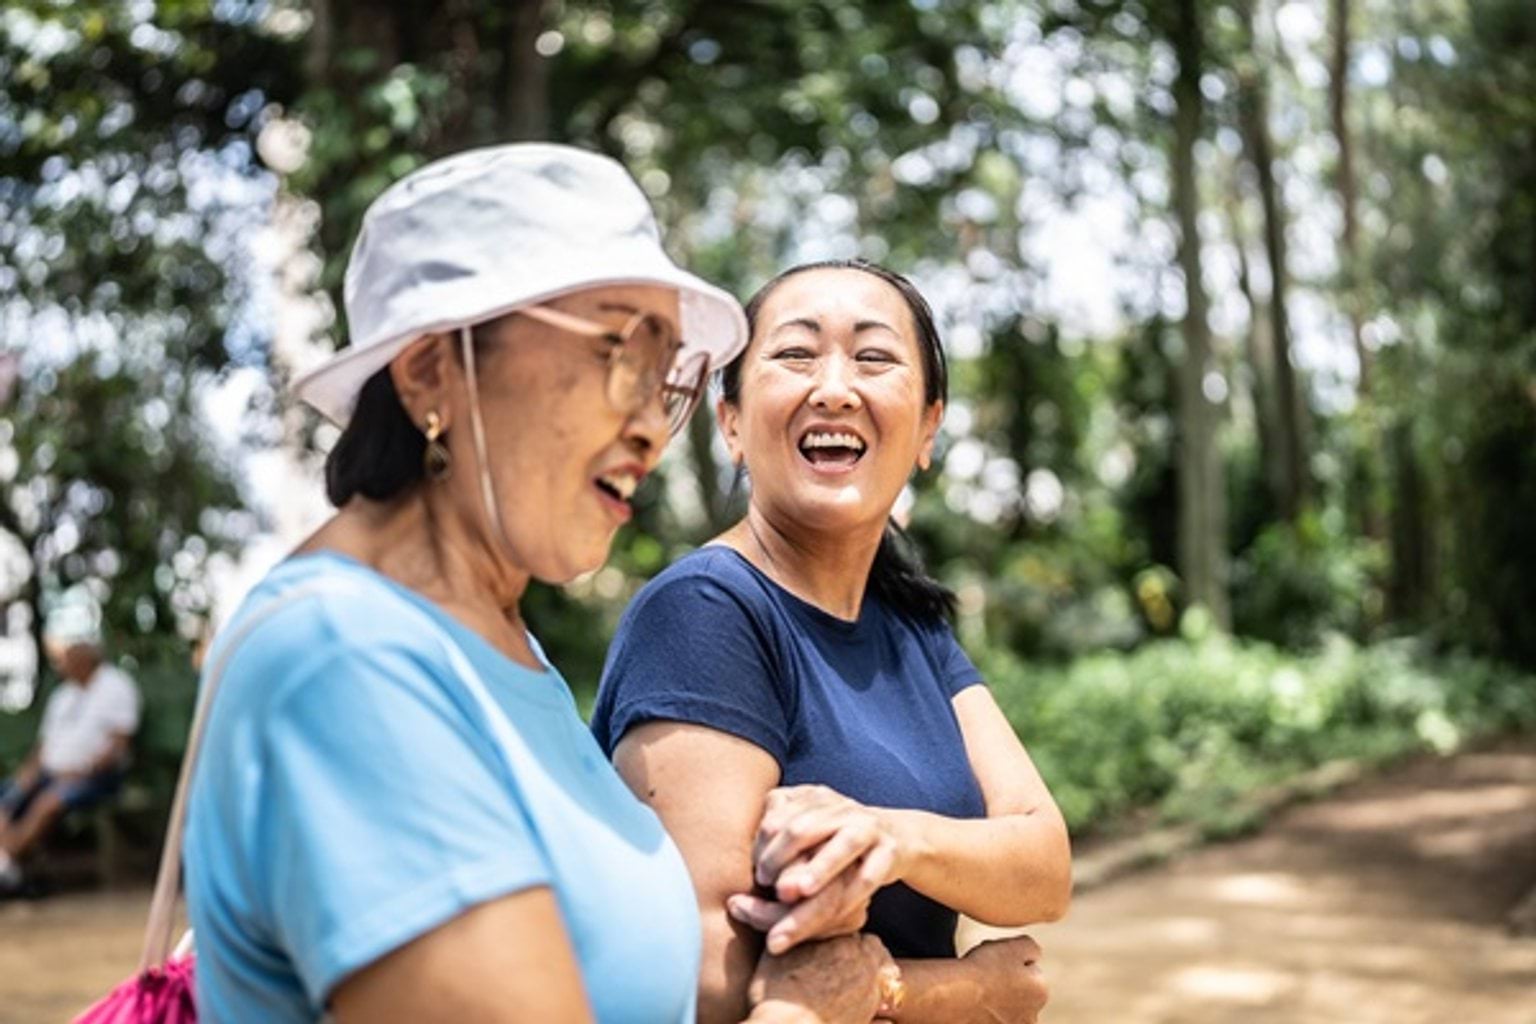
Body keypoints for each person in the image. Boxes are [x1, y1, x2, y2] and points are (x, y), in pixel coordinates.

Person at [183, 147, 898, 1024]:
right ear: (430, 371)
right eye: (617, 353)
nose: (649, 426)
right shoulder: (345, 663)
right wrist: (810, 1010)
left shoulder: (499, 646)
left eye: (666, 377)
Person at [593, 260, 1071, 1023]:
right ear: (732, 424)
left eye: (875, 358)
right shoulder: (706, 614)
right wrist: (964, 992)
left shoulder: (911, 622)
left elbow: (1043, 867)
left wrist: (890, 837)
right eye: (795, 355)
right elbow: (706, 984)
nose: (836, 388)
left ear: (927, 430)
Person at [0, 605, 140, 897]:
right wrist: (27, 774)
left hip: (95, 777)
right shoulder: (62, 695)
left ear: (88, 656)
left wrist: (85, 770)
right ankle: (8, 868)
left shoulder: (116, 686)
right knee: (8, 800)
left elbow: (119, 744)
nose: (63, 661)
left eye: (70, 654)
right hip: (49, 773)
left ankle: (6, 868)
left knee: (47, 803)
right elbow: (43, 747)